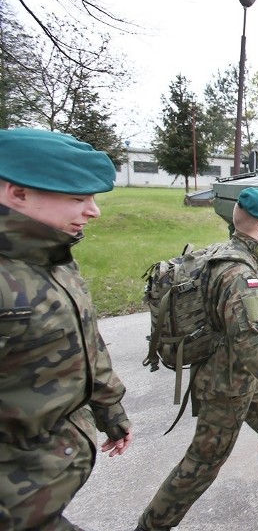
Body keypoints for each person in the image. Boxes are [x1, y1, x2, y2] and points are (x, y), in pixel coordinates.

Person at [135, 187, 258, 531]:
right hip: (226, 381)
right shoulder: (240, 274)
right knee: (204, 459)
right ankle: (151, 526)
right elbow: (252, 341)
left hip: (237, 370)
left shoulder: (223, 249)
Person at [0, 127, 133, 529]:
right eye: (78, 198)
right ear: (18, 194)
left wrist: (110, 410)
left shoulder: (53, 257)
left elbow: (86, 339)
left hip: (45, 488)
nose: (94, 211)